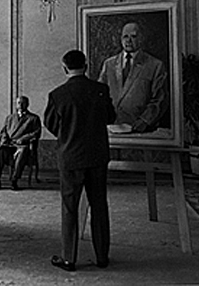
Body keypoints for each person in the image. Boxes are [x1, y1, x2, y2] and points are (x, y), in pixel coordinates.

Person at [44, 49, 116, 272]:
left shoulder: (57, 95)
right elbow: (111, 118)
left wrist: (68, 134)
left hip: (70, 158)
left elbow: (51, 124)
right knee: (99, 206)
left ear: (64, 68)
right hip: (97, 157)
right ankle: (102, 257)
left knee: (70, 208)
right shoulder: (101, 90)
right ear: (86, 66)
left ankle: (69, 259)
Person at [98, 22, 168, 133]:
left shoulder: (155, 65)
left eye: (133, 36)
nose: (128, 40)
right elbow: (99, 95)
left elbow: (160, 99)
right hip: (111, 129)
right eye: (125, 36)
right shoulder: (109, 64)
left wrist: (144, 121)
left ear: (141, 39)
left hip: (141, 130)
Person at [0, 95, 42, 191]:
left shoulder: (33, 118)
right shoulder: (10, 118)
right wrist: (4, 140)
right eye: (18, 103)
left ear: (27, 104)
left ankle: (14, 179)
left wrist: (24, 139)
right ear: (16, 105)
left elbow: (36, 133)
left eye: (23, 103)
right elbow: (4, 131)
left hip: (22, 145)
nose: (21, 105)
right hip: (9, 144)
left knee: (22, 152)